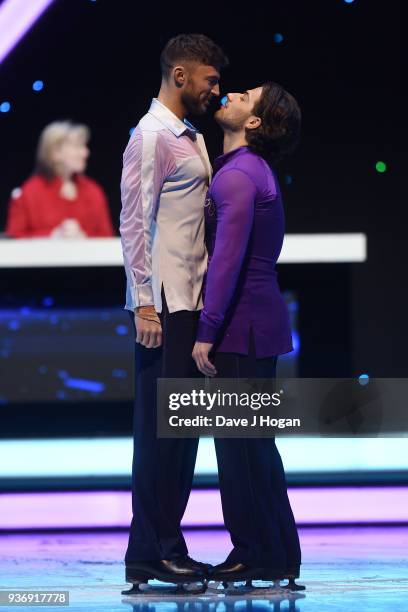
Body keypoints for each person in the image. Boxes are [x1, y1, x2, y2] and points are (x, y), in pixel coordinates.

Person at [119, 33, 228, 588]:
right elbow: (134, 223)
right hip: (162, 304)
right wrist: (143, 304)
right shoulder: (151, 137)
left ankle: (168, 543)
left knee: (182, 431)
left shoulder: (192, 136)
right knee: (160, 432)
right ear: (180, 75)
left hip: (190, 298)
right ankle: (149, 549)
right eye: (210, 79)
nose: (217, 89)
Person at [192, 82, 304, 588]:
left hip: (242, 326)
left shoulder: (238, 175)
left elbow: (227, 261)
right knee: (253, 444)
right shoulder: (248, 171)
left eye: (246, 96)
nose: (232, 94)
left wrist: (206, 330)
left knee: (240, 446)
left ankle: (256, 552)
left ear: (254, 122)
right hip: (254, 321)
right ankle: (277, 552)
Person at [5, 121, 114, 238]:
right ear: (55, 153)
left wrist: (84, 237)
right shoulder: (28, 193)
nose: (85, 153)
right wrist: (52, 236)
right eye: (77, 147)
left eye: (84, 146)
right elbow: (14, 237)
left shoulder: (94, 191)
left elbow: (107, 237)